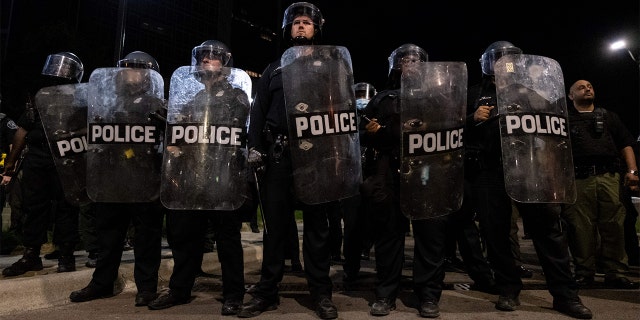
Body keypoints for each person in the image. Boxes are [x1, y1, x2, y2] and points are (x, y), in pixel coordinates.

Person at [241, 3, 355, 319]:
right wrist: (254, 148)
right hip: (279, 156)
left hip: (316, 158)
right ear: (288, 29)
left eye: (306, 22)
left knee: (318, 228)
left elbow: (343, 110)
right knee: (275, 229)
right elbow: (258, 111)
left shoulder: (331, 67)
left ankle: (321, 294)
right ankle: (267, 292)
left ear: (317, 28)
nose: (301, 26)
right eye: (296, 23)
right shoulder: (273, 68)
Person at [466, 41, 592, 319]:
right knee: (495, 234)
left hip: (530, 170)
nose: (503, 64)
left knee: (549, 232)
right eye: (497, 59)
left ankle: (565, 295)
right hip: (489, 171)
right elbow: (454, 132)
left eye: (508, 59)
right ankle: (508, 288)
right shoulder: (474, 95)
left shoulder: (533, 94)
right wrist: (471, 119)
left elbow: (552, 133)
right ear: (486, 63)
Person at [147, 40, 250, 315]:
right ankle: (180, 290)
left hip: (223, 176)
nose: (206, 60)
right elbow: (185, 134)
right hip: (194, 176)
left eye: (213, 57)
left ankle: (233, 294)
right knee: (185, 235)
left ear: (224, 65)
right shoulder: (193, 99)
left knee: (227, 238)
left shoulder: (236, 95)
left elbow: (233, 128)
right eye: (203, 57)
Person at [69, 51, 165, 307]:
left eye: (135, 68)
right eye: (125, 68)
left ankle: (146, 287)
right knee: (108, 237)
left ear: (148, 75)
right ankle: (102, 283)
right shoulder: (108, 102)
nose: (127, 73)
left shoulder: (157, 104)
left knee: (147, 237)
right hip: (112, 178)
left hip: (146, 179)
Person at [1, 52, 83, 276]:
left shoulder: (80, 99)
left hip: (67, 158)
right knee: (36, 208)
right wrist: (11, 161)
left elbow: (21, 133)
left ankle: (65, 254)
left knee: (66, 208)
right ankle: (32, 255)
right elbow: (22, 131)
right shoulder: (40, 97)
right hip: (40, 159)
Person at [358, 44, 420, 316]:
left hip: (423, 172)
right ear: (396, 67)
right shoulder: (382, 99)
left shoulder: (434, 95)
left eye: (415, 60)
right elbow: (360, 135)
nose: (409, 64)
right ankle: (386, 293)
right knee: (389, 235)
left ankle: (426, 294)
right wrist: (371, 132)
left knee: (428, 236)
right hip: (388, 171)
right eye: (404, 61)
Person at [561, 79, 640, 289]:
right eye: (581, 87)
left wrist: (632, 172)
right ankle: (584, 272)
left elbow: (626, 145)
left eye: (590, 86)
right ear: (570, 96)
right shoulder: (565, 118)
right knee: (580, 228)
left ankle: (616, 273)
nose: (587, 88)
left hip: (609, 177)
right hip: (578, 179)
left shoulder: (608, 116)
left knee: (614, 225)